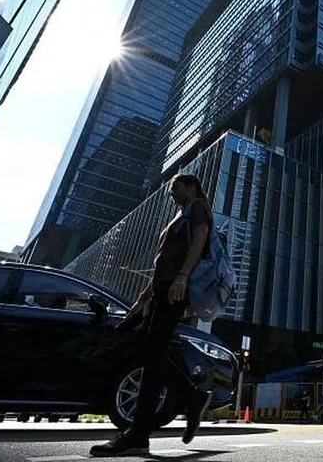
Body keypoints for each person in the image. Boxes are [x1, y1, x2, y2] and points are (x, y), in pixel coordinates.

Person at [90, 174, 215, 457]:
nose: (172, 193)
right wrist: (144, 297)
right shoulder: (180, 215)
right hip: (162, 290)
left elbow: (200, 240)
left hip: (174, 290)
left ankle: (140, 432)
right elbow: (164, 262)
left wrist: (182, 277)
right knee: (150, 355)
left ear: (192, 186)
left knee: (152, 357)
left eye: (176, 187)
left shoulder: (198, 207)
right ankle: (191, 398)